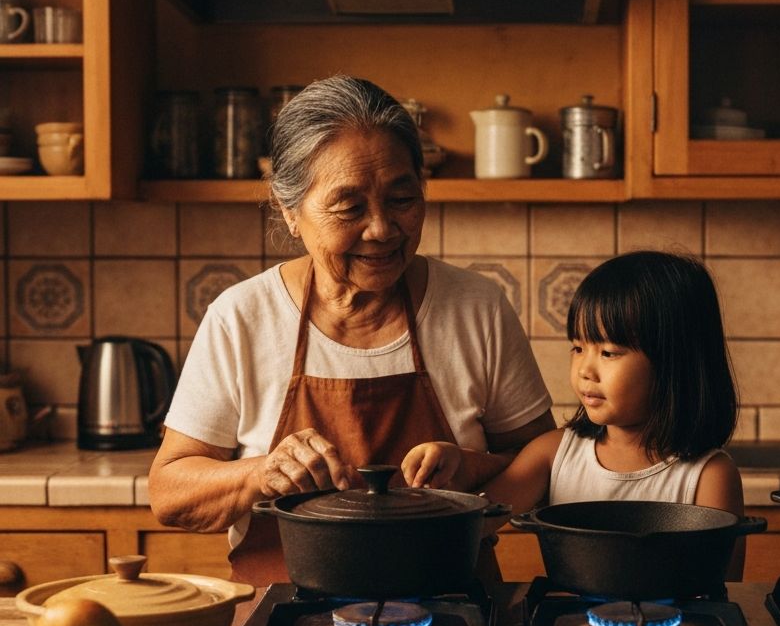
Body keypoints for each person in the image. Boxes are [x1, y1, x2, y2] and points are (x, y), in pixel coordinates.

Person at [148, 74, 554, 586]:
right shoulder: (242, 317)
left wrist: (470, 471)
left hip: (456, 616)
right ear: (289, 211)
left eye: (402, 199)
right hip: (279, 621)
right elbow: (169, 492)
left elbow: (545, 464)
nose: (382, 229)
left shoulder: (476, 308)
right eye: (349, 207)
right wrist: (260, 474)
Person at [402, 250, 746, 578]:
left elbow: (724, 594)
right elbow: (477, 521)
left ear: (676, 363)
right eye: (578, 348)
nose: (585, 370)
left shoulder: (709, 475)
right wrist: (452, 463)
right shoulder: (553, 453)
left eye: (609, 352)